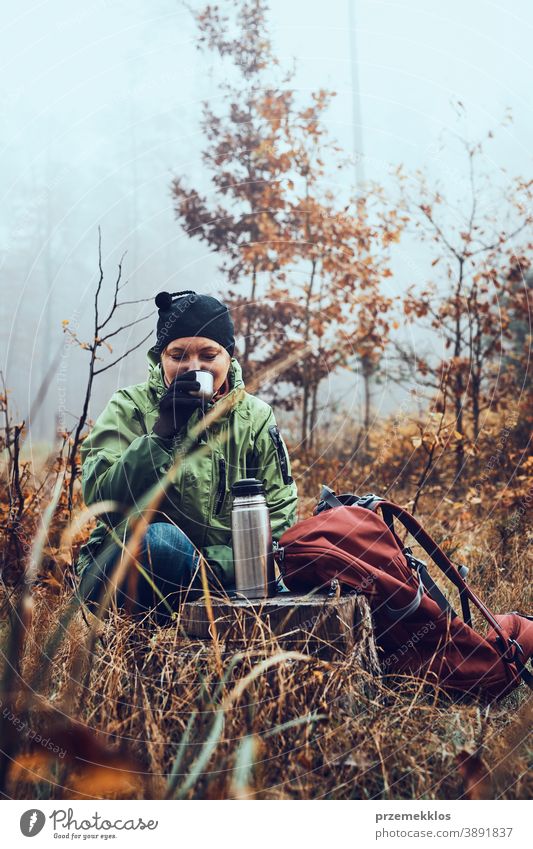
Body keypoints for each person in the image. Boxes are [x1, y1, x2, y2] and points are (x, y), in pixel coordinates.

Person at [75, 289, 298, 621]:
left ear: (229, 355)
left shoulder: (254, 417)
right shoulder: (129, 407)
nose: (194, 367)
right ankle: (162, 647)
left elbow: (278, 518)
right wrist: (161, 435)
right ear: (160, 357)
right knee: (158, 540)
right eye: (178, 355)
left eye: (209, 354)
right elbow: (103, 502)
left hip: (226, 578)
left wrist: (210, 565)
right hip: (130, 572)